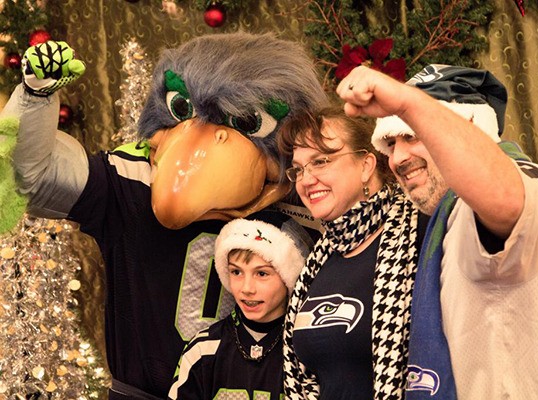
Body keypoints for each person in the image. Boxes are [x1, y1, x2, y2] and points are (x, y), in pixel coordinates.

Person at [0, 33, 327, 399]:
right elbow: (32, 176)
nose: (203, 139)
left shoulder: (305, 192)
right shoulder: (131, 176)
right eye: (183, 111)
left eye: (247, 121)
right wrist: (36, 98)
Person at [336, 64, 538, 399]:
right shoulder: (452, 215)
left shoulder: (527, 183)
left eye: (412, 135)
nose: (397, 158)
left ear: (471, 129)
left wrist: (409, 103)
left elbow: (505, 200)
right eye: (390, 142)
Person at [278, 106, 430, 399]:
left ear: (366, 165)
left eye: (320, 161)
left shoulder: (420, 231)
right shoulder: (317, 261)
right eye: (299, 168)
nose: (306, 180)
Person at [168, 210, 312, 399]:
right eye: (236, 272)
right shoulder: (203, 350)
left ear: (289, 278)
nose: (247, 288)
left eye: (262, 274)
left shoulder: (306, 352)